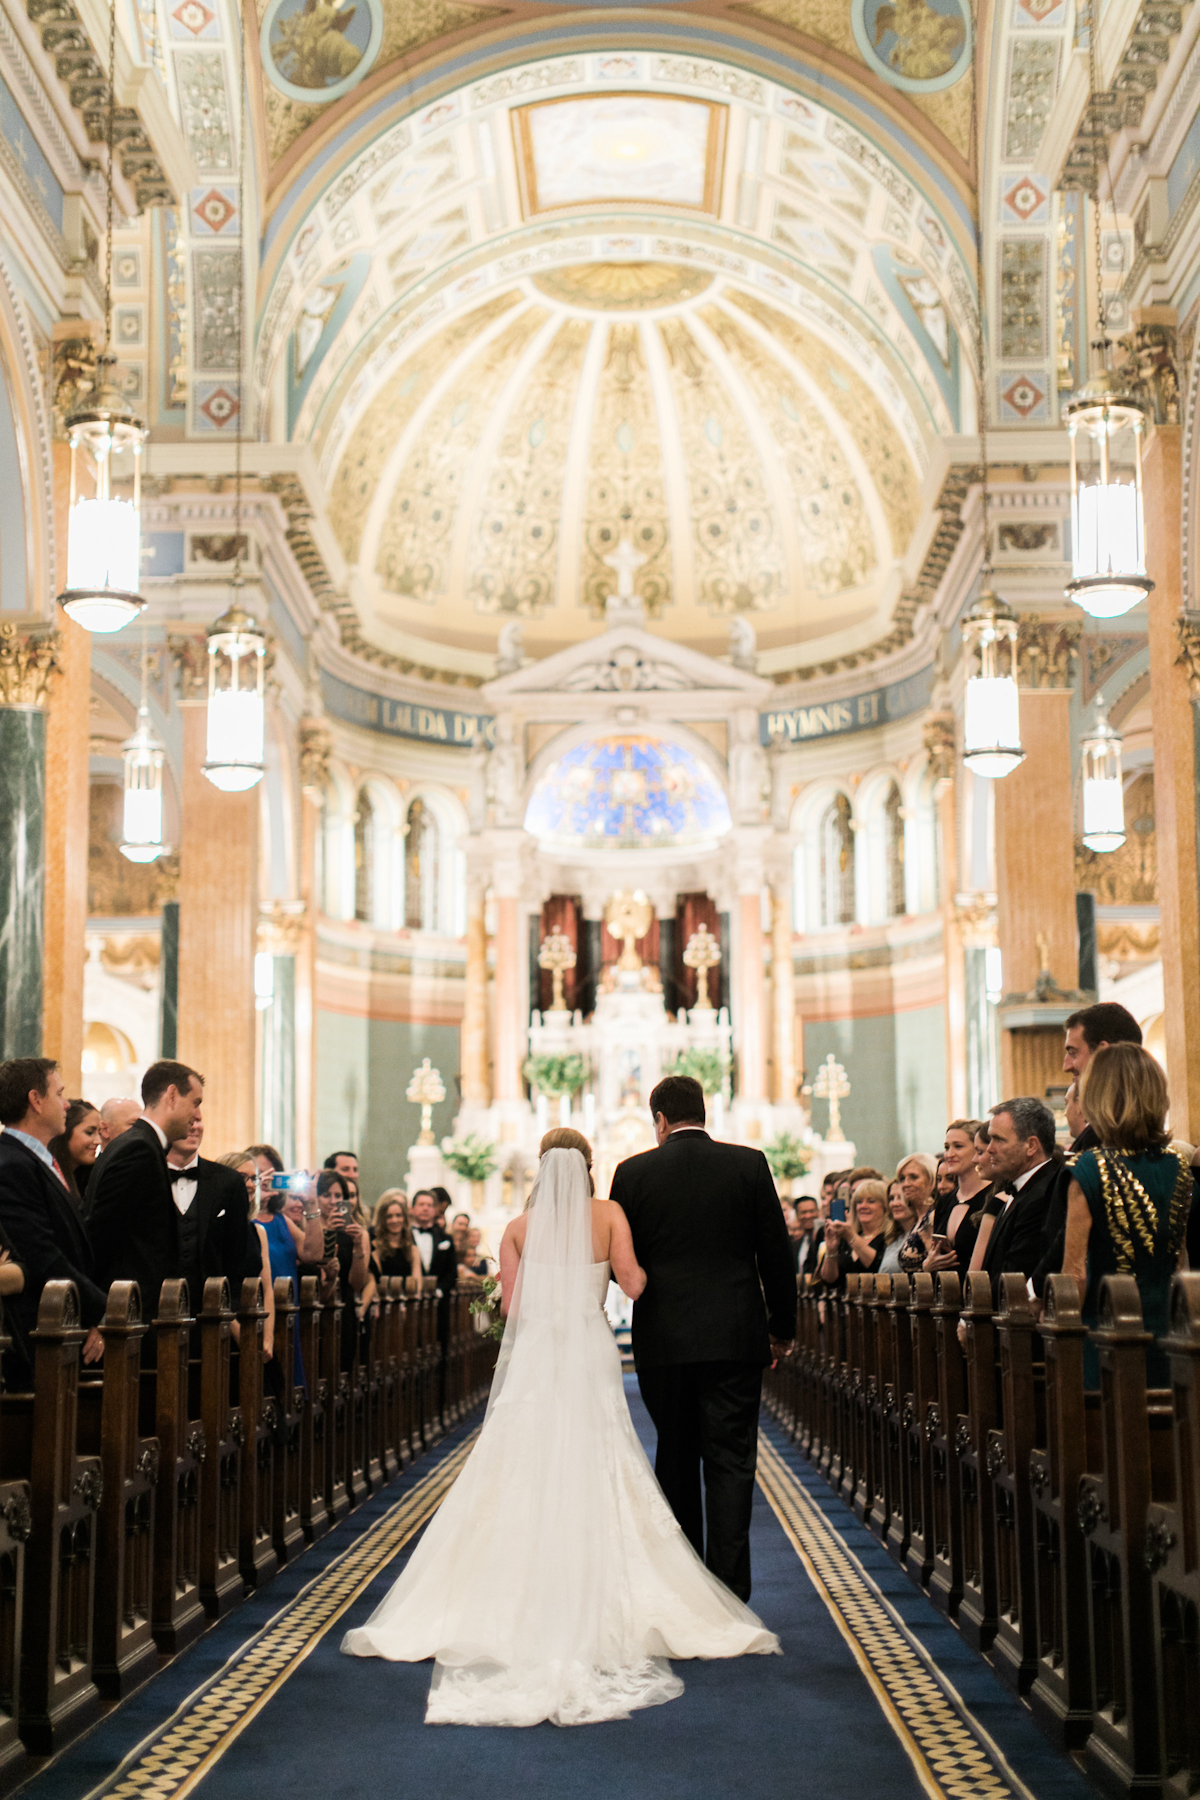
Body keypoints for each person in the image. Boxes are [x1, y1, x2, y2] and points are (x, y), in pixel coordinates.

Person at [342, 1127, 779, 1725]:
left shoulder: (519, 1229)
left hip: (540, 1356)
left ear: (541, 1169)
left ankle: (512, 1589)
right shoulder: (608, 1215)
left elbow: (514, 1310)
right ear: (590, 1166)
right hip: (590, 1349)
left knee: (523, 1459)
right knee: (599, 1455)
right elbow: (632, 1283)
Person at [609, 1075, 795, 1603]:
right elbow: (775, 1256)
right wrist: (782, 1329)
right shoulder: (748, 1164)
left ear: (660, 1121)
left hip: (663, 1338)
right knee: (732, 1460)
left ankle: (687, 1591)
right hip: (735, 1334)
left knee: (675, 1455)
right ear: (703, 1112)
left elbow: (623, 1260)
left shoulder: (632, 1173)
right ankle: (731, 1592)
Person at [1062, 1043, 1191, 1384]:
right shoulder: (1179, 1165)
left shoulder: (1089, 1168)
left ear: (1099, 1097)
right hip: (1169, 1331)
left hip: (1107, 1334)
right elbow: (1181, 1264)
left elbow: (1074, 1278)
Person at [87, 1060, 203, 1313]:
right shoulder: (138, 1149)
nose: (198, 1116)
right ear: (171, 1095)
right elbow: (101, 1235)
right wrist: (101, 1315)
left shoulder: (141, 1144)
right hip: (124, 1313)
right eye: (195, 1103)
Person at [0, 1057, 89, 1382]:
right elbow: (41, 1254)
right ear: (36, 1100)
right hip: (37, 1334)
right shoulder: (12, 1163)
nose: (66, 1104)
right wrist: (103, 1309)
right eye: (59, 1093)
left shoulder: (39, 1158)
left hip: (61, 1324)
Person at [165, 1121, 262, 1318]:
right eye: (188, 1120)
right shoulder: (144, 1175)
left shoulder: (228, 1181)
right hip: (155, 1311)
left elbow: (238, 1255)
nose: (194, 1127)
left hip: (213, 1314)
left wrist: (228, 1310)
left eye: (198, 1121)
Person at [977, 1097, 1060, 1302]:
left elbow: (1015, 1278)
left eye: (999, 1139)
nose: (990, 1149)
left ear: (1031, 1146)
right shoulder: (1022, 1189)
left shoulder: (1043, 1196)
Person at [254, 1166, 322, 1388]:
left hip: (287, 1310)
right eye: (259, 1175)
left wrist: (311, 1204)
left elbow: (312, 1253)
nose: (266, 1179)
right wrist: (253, 1198)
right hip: (257, 1309)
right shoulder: (243, 1218)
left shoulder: (280, 1220)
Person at [923, 1119, 990, 1279]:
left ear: (977, 1149)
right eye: (947, 1147)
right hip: (944, 1292)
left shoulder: (993, 1197)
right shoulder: (945, 1201)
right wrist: (928, 1265)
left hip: (978, 1292)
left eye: (958, 1146)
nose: (949, 1154)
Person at [819, 1178, 891, 1286]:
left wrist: (851, 1237)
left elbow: (877, 1267)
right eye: (859, 1202)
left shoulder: (889, 1238)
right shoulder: (845, 1238)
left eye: (871, 1201)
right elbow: (828, 1280)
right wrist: (831, 1249)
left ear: (885, 1207)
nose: (863, 1206)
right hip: (843, 1301)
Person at [47, 1098, 102, 1207]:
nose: (98, 1141)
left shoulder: (94, 1177)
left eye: (99, 1133)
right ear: (65, 1133)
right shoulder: (48, 1177)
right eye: (90, 1132)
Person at [372, 1191, 420, 1282]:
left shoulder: (412, 1249)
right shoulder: (375, 1248)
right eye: (389, 1216)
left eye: (398, 1215)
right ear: (383, 1220)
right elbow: (375, 1282)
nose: (394, 1220)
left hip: (409, 1294)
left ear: (404, 1218)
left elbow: (417, 1283)